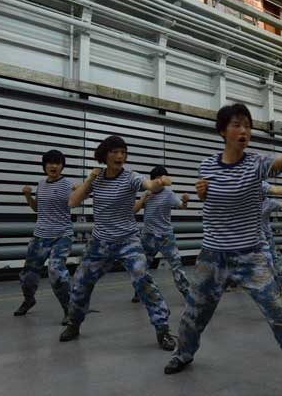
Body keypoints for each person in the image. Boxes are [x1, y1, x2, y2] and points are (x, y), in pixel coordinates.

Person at [164, 104, 282, 396]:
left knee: (278, 313)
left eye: (247, 125)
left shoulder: (256, 164)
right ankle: (184, 353)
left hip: (251, 255)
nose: (244, 131)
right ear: (222, 131)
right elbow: (211, 199)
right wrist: (203, 193)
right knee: (194, 313)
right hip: (212, 255)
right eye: (236, 125)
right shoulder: (207, 165)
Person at [59, 135, 177, 350]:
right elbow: (72, 202)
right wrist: (89, 180)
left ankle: (163, 330)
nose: (119, 156)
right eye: (114, 152)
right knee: (80, 284)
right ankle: (74, 324)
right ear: (105, 154)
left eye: (123, 152)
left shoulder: (130, 177)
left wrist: (159, 182)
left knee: (143, 281)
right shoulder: (97, 179)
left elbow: (148, 184)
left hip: (127, 240)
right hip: (99, 242)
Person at [14, 149, 76, 324]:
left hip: (61, 236)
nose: (53, 166)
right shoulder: (41, 184)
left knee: (56, 271)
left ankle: (68, 309)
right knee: (28, 275)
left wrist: (81, 190)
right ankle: (29, 300)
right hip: (40, 236)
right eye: (50, 163)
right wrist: (28, 196)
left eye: (57, 162)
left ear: (62, 166)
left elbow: (75, 200)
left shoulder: (67, 184)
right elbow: (37, 209)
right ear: (44, 166)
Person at [130, 165, 191, 303]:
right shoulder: (147, 193)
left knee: (176, 265)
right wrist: (144, 197)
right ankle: (139, 292)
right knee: (142, 266)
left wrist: (186, 200)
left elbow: (181, 206)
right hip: (148, 235)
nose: (159, 183)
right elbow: (134, 210)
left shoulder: (168, 194)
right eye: (157, 180)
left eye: (162, 179)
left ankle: (187, 293)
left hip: (165, 236)